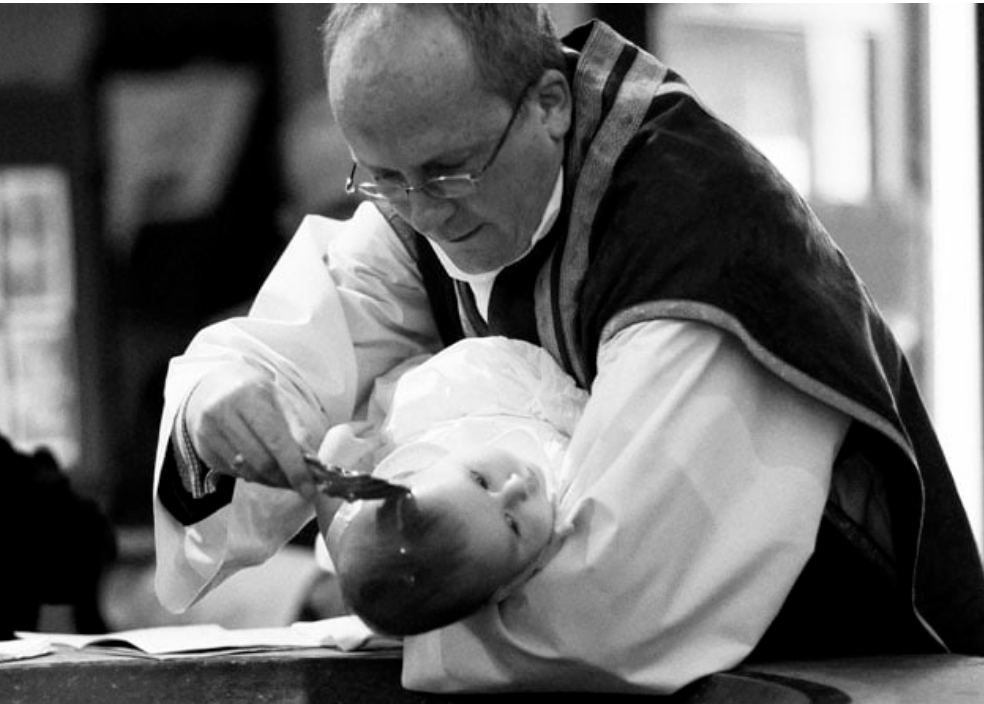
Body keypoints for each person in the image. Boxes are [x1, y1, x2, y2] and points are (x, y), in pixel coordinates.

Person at [153, 4, 984, 694]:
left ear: (550, 102)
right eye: (379, 179)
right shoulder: (429, 194)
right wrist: (214, 415)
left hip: (863, 681)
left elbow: (611, 605)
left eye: (447, 173)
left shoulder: (701, 240)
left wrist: (394, 593)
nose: (421, 212)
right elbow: (290, 348)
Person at [311, 335, 585, 637]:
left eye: (480, 479)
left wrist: (329, 481)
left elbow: (348, 537)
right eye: (512, 524)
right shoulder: (568, 503)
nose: (517, 486)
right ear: (503, 589)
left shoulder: (424, 425)